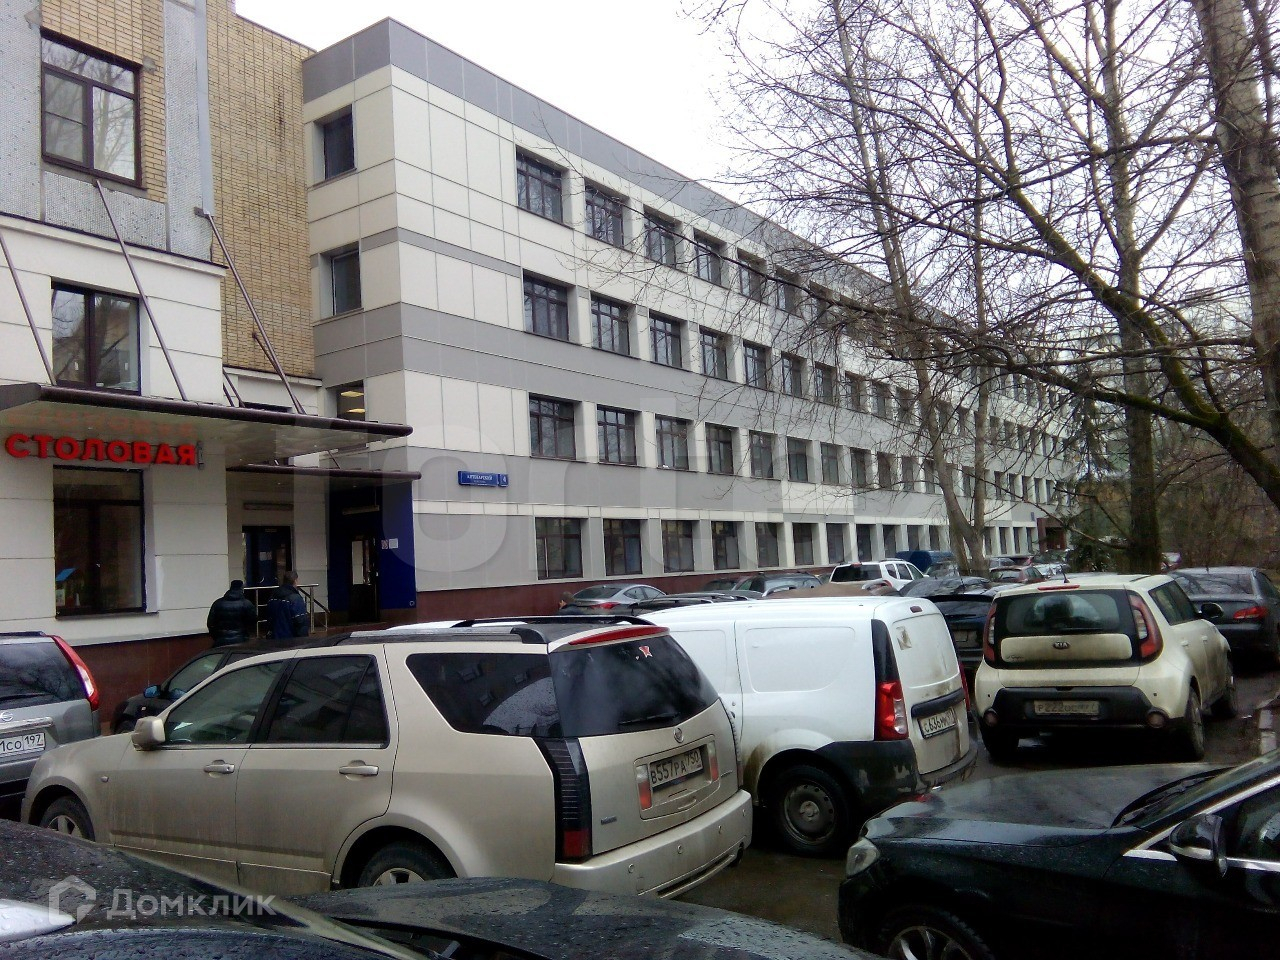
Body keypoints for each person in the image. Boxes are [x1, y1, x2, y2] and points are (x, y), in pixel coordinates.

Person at [207, 580, 257, 647]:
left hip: (221, 640)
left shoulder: (217, 603)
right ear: (241, 588)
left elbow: (210, 623)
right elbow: (253, 620)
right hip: (241, 638)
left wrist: (217, 637)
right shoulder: (246, 603)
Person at [267, 571, 311, 639]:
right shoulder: (295, 598)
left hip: (275, 638)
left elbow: (269, 617)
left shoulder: (273, 596)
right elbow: (301, 621)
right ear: (295, 581)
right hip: (290, 638)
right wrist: (303, 639)